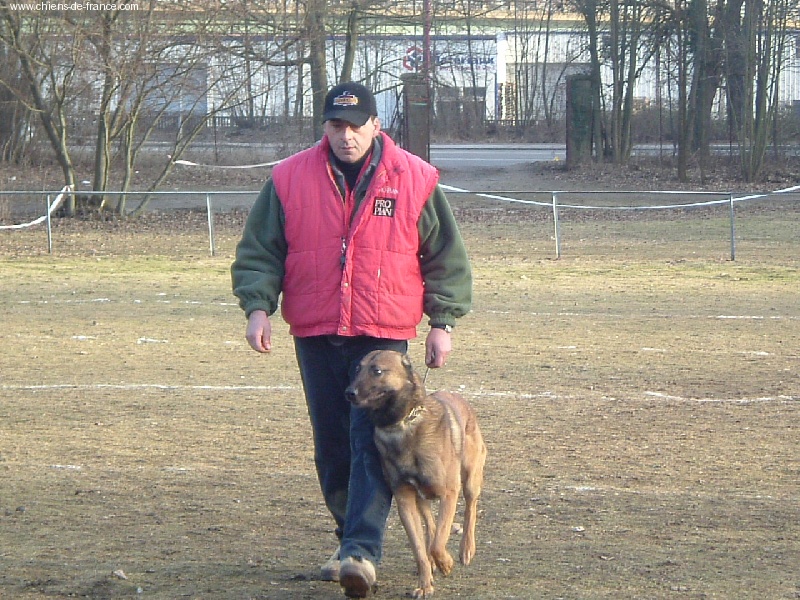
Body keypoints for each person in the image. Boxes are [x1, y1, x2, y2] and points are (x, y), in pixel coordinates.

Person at [231, 81, 472, 598]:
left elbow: (445, 257)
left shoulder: (416, 178)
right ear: (324, 127)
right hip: (316, 330)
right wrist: (257, 307)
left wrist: (442, 323)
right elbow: (260, 249)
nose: (346, 136)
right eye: (336, 125)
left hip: (381, 334)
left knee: (369, 446)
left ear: (376, 125)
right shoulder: (288, 178)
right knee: (333, 448)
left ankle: (362, 552)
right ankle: (348, 541)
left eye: (356, 125)